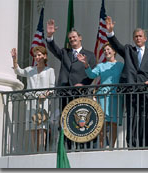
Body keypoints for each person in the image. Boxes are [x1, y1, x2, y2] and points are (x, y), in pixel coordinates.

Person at [105, 16, 148, 147]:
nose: (138, 38)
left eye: (140, 36)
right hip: (131, 90)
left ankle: (145, 143)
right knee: (131, 117)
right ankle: (131, 143)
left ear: (145, 38)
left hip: (145, 90)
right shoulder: (128, 50)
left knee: (145, 117)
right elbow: (116, 45)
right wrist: (110, 33)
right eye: (136, 36)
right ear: (133, 39)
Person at [46, 19, 96, 149]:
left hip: (80, 93)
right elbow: (53, 48)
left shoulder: (89, 55)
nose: (72, 39)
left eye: (74, 37)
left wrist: (83, 85)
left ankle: (81, 147)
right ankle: (67, 147)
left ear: (80, 38)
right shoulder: (65, 52)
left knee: (80, 120)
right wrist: (50, 36)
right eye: (70, 38)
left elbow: (93, 73)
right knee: (66, 120)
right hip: (65, 92)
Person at [78, 43, 124, 148]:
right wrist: (86, 64)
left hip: (115, 97)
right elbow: (91, 75)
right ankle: (102, 146)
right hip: (103, 97)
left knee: (114, 122)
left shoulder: (121, 65)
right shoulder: (101, 66)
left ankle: (111, 146)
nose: (106, 52)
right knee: (102, 123)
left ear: (114, 51)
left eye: (108, 49)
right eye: (104, 50)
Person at [11, 46, 55, 152]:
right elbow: (18, 71)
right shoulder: (30, 70)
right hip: (31, 101)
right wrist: (14, 59)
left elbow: (52, 87)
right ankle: (34, 151)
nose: (37, 57)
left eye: (39, 55)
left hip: (43, 102)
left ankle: (41, 150)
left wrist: (45, 94)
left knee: (42, 127)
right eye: (35, 55)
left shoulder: (50, 70)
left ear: (44, 56)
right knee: (31, 127)